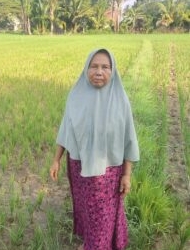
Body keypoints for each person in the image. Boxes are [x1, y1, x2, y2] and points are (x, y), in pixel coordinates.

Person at [50, 48, 140, 250]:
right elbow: (66, 130)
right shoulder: (76, 96)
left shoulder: (120, 101)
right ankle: (91, 243)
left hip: (108, 174)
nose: (99, 71)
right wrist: (56, 159)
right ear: (86, 69)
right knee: (87, 213)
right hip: (79, 169)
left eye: (105, 67)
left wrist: (127, 174)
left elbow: (129, 140)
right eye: (94, 66)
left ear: (113, 71)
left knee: (103, 219)